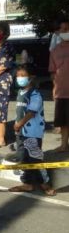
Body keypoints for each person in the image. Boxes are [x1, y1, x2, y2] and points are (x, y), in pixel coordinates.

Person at [8, 65, 55, 196]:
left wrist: (19, 124)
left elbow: (31, 113)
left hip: (33, 133)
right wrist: (18, 126)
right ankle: (27, 184)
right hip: (21, 133)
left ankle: (45, 183)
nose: (20, 78)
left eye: (23, 76)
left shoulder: (35, 94)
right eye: (18, 76)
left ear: (31, 77)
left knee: (35, 159)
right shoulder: (20, 93)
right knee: (23, 159)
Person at [49, 18, 69, 152]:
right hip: (62, 91)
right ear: (58, 32)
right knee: (63, 122)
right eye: (64, 30)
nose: (66, 32)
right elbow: (53, 72)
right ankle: (64, 144)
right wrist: (54, 89)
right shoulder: (54, 51)